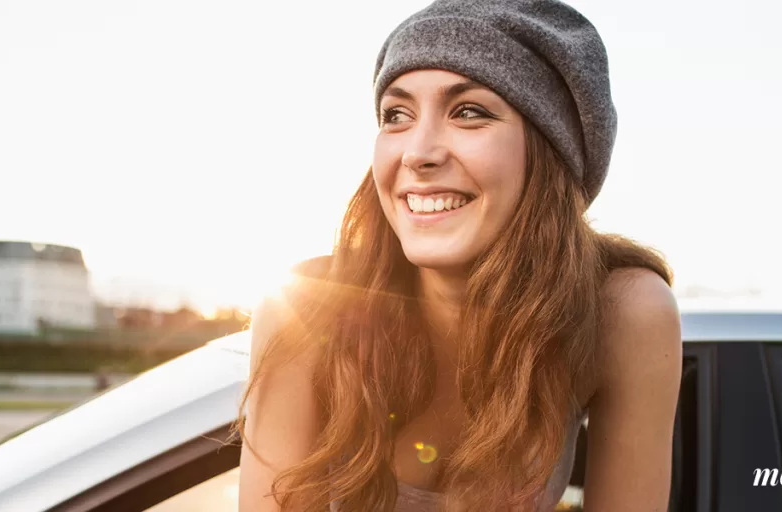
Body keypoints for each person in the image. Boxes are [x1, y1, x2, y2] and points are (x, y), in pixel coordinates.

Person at [236, 0, 682, 510]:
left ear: (549, 152)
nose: (418, 152)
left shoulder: (624, 313)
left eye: (469, 112)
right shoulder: (304, 311)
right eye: (396, 115)